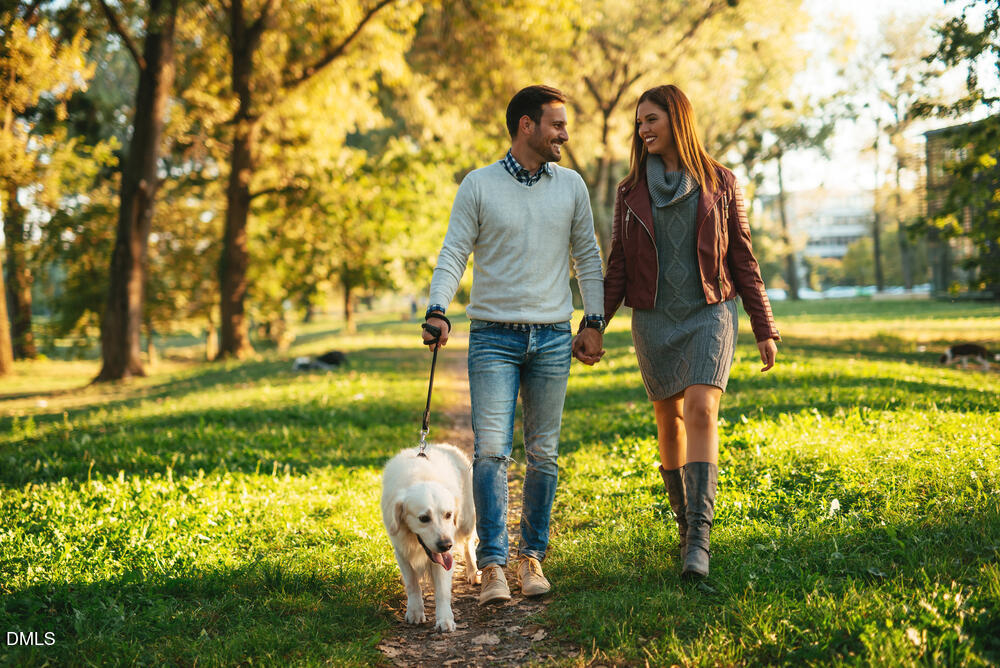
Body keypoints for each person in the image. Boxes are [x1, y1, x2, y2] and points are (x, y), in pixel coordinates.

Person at [422, 85, 606, 604]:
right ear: (527, 126)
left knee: (543, 454)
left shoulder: (570, 186)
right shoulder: (478, 185)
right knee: (493, 453)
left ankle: (533, 559)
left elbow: (588, 257)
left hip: (551, 336)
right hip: (493, 338)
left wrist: (593, 320)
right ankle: (495, 564)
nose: (564, 135)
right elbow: (454, 252)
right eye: (557, 125)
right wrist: (438, 308)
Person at [601, 84, 779, 578]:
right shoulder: (628, 192)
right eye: (639, 123)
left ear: (677, 118)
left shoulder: (721, 182)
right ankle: (683, 527)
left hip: (710, 311)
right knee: (668, 418)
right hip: (654, 318)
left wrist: (763, 325)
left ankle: (699, 536)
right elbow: (618, 265)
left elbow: (742, 254)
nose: (644, 130)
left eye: (651, 119)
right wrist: (595, 325)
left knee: (701, 408)